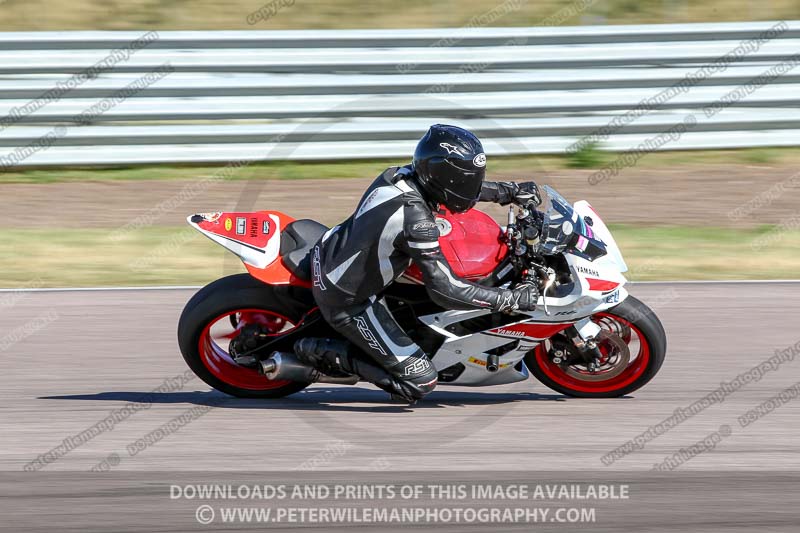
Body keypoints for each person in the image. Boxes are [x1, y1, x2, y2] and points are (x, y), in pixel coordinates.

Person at [295, 124, 541, 402]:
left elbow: (454, 190)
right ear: (441, 178)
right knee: (420, 381)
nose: (469, 187)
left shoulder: (399, 175)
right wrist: (509, 300)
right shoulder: (416, 221)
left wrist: (507, 191)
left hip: (335, 248)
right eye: (463, 181)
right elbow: (446, 290)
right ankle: (317, 351)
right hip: (348, 299)